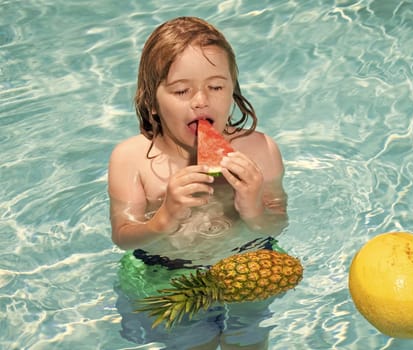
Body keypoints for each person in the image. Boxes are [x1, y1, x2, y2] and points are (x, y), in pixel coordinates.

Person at [108, 16, 288, 350]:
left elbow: (276, 224)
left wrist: (253, 206)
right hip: (167, 275)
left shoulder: (260, 150)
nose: (201, 100)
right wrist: (164, 217)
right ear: (152, 101)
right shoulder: (130, 159)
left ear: (233, 91)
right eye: (181, 90)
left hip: (250, 263)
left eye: (216, 87)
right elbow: (122, 235)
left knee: (249, 341)